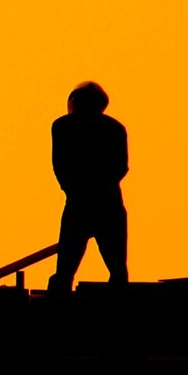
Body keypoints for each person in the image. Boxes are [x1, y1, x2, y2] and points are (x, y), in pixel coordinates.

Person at [48, 81, 129, 292]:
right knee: (71, 268)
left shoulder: (63, 126)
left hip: (89, 204)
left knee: (113, 268)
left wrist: (78, 190)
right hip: (102, 203)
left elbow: (60, 165)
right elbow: (121, 167)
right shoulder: (114, 128)